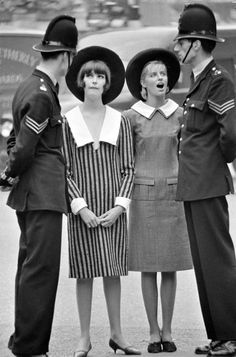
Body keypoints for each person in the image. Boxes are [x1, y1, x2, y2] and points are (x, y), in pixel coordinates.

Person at [0, 15, 78, 357]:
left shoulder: (30, 85)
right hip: (42, 192)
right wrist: (11, 171)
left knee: (29, 268)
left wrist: (12, 171)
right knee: (41, 271)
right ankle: (31, 347)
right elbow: (26, 146)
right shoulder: (43, 92)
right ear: (66, 56)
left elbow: (15, 140)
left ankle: (23, 340)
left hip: (33, 191)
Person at [63, 46, 141, 357]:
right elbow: (64, 168)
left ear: (107, 83)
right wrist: (80, 208)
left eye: (100, 76)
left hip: (112, 210)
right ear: (81, 81)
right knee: (84, 273)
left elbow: (128, 167)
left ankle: (117, 335)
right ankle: (84, 338)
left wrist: (120, 206)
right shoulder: (67, 121)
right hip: (83, 210)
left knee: (112, 271)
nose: (94, 80)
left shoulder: (119, 120)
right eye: (89, 76)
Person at [173, 3, 236, 356]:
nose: (176, 48)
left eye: (180, 42)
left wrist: (216, 163)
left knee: (217, 260)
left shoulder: (218, 81)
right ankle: (219, 336)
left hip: (208, 182)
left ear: (195, 43)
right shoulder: (201, 81)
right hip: (195, 184)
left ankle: (231, 336)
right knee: (204, 263)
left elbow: (231, 133)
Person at [123, 48, 192, 353]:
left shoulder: (180, 114)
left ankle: (169, 330)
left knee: (171, 266)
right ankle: (153, 332)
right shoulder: (130, 117)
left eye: (163, 73)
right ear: (143, 85)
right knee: (148, 267)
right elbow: (124, 162)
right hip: (143, 197)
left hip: (174, 196)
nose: (160, 78)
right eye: (153, 74)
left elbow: (189, 155)